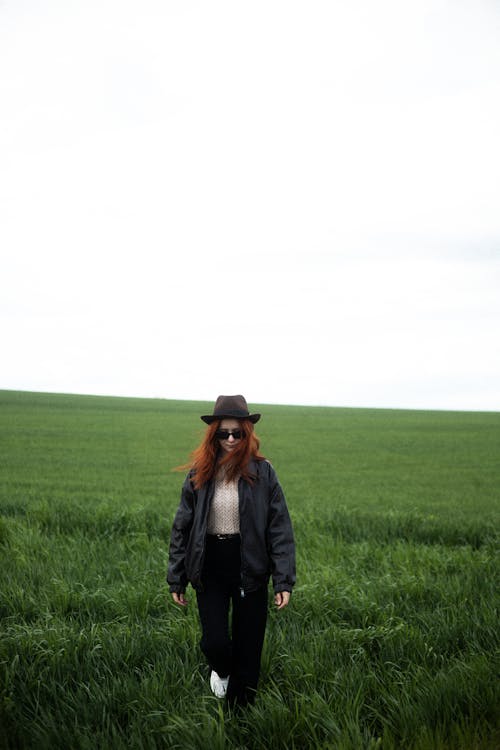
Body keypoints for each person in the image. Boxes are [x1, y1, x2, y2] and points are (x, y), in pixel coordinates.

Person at [167, 394, 296, 707]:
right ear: (214, 434)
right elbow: (182, 527)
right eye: (223, 433)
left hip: (249, 564)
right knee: (214, 642)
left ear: (247, 433)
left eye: (237, 433)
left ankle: (241, 717)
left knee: (248, 647)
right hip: (209, 563)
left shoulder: (264, 474)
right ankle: (221, 670)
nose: (230, 439)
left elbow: (279, 528)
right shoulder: (199, 473)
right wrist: (177, 577)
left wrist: (283, 581)